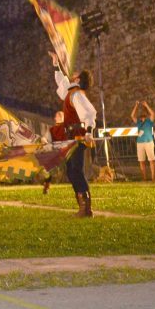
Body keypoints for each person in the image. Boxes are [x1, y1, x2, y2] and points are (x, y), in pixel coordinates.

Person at [51, 52, 97, 217]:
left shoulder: (77, 95)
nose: (72, 74)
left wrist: (89, 132)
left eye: (75, 75)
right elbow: (62, 85)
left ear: (78, 80)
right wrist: (56, 65)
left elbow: (90, 113)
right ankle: (82, 207)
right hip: (72, 138)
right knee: (71, 171)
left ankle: (86, 208)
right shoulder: (71, 93)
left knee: (76, 170)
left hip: (79, 138)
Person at [41, 110, 68, 195]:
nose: (54, 118)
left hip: (67, 151)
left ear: (61, 117)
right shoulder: (52, 130)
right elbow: (45, 138)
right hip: (56, 152)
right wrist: (44, 140)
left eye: (56, 116)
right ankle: (47, 184)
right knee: (48, 169)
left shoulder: (67, 128)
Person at [131, 100, 155, 182]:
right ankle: (144, 178)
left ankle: (153, 178)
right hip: (140, 143)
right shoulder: (138, 122)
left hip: (149, 142)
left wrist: (146, 105)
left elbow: (153, 114)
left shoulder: (149, 121)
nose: (142, 113)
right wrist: (136, 105)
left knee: (151, 160)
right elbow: (132, 115)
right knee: (141, 161)